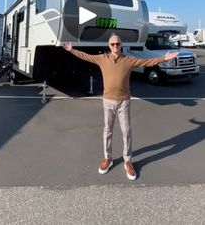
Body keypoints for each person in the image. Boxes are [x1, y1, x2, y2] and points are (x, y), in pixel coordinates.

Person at [62, 35, 178, 180]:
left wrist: (164, 59)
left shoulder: (128, 60)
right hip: (108, 101)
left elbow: (146, 62)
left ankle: (128, 160)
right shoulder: (102, 58)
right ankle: (107, 158)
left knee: (127, 132)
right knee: (107, 131)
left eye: (117, 44)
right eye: (113, 44)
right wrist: (72, 50)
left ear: (121, 45)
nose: (115, 46)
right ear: (109, 46)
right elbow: (87, 56)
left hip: (124, 102)